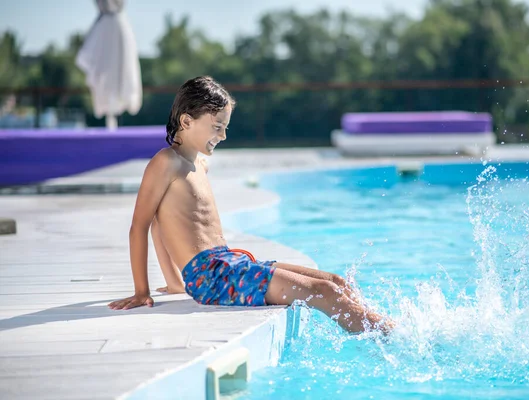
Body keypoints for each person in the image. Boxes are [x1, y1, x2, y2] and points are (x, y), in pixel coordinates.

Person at [108, 76, 395, 334]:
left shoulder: (200, 164)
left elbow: (162, 222)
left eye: (225, 128)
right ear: (186, 121)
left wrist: (174, 284)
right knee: (322, 291)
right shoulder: (164, 163)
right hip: (212, 278)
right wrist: (141, 290)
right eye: (217, 127)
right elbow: (141, 226)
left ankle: (378, 327)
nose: (223, 136)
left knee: (336, 282)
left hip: (230, 263)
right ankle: (393, 336)